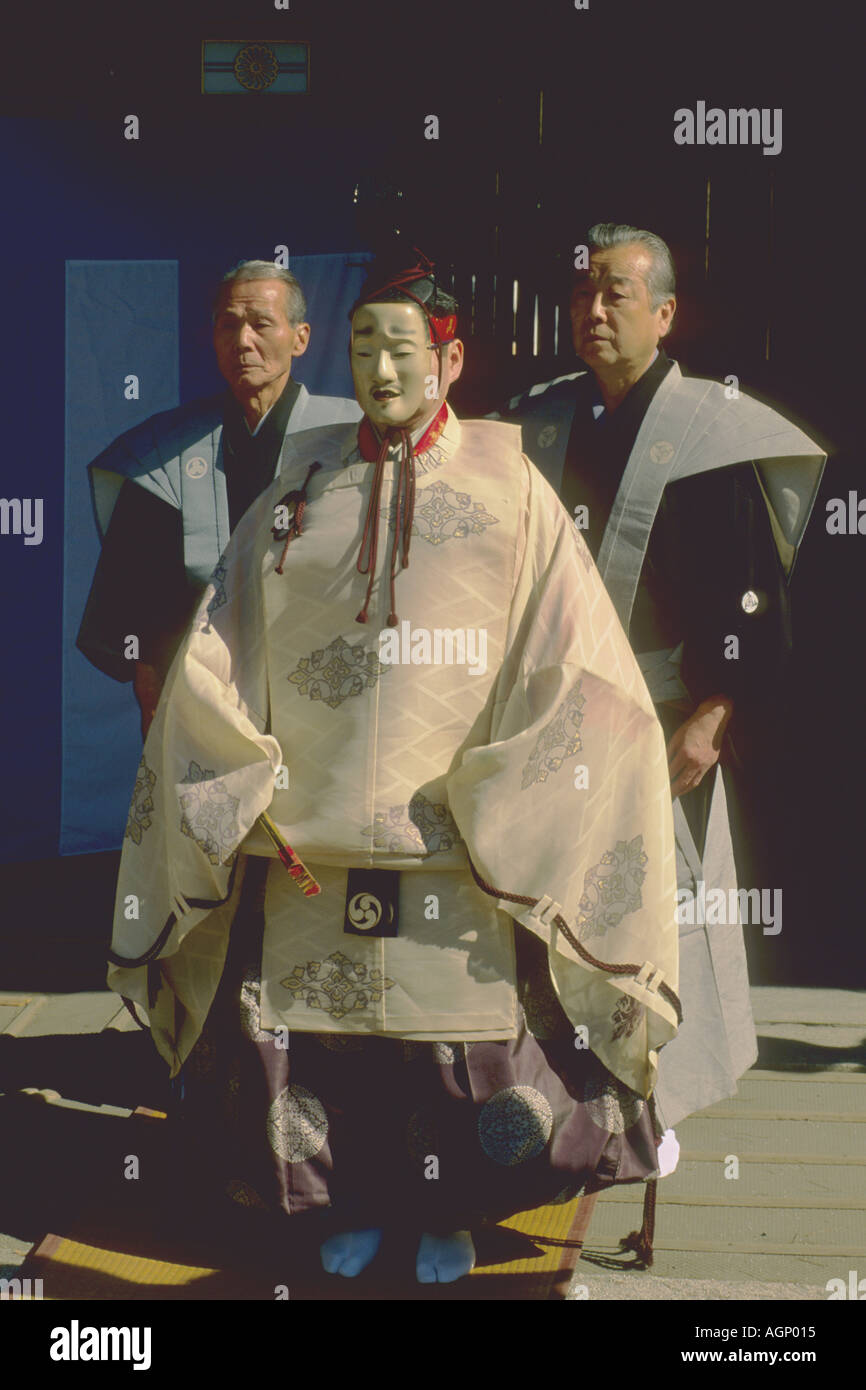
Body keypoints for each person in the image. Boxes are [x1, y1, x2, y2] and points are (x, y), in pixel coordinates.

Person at [107, 250, 680, 1286]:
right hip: (311, 833)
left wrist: (503, 789)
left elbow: (578, 657)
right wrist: (239, 763)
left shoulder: (512, 491)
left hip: (457, 835)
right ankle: (356, 1201)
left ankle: (448, 1210)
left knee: (447, 1047)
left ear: (449, 361)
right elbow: (222, 636)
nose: (379, 369)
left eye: (402, 348)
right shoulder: (299, 488)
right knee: (330, 1043)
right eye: (362, 345)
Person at [499, 223, 826, 1129]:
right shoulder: (541, 420)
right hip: (553, 709)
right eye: (582, 294)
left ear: (666, 313)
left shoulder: (711, 433)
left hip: (665, 710)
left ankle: (654, 1106)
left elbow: (753, 600)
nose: (594, 310)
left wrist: (715, 715)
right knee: (548, 902)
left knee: (658, 912)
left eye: (616, 294)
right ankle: (548, 1101)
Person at [76, 261, 361, 736]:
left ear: (301, 337)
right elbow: (142, 600)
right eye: (228, 325)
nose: (242, 340)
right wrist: (153, 690)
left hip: (323, 670)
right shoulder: (165, 451)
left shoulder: (351, 435)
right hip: (202, 681)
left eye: (261, 324)